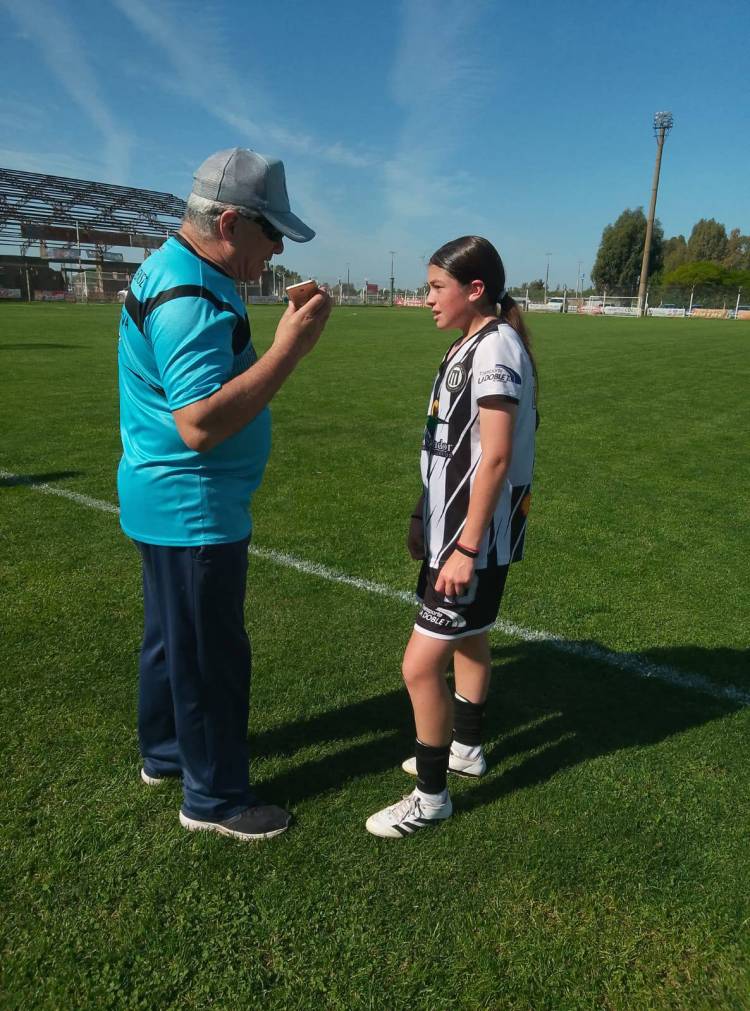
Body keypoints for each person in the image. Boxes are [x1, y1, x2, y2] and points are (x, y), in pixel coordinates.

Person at [117, 148, 331, 841]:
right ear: (230, 221)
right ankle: (215, 800)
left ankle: (168, 753)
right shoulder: (192, 293)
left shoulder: (183, 269)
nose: (274, 252)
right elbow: (201, 423)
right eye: (271, 235)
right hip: (193, 507)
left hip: (164, 500)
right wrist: (288, 351)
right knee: (211, 655)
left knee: (169, 640)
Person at [366, 236, 537, 839]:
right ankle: (465, 749)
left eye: (437, 287)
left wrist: (465, 547)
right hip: (454, 530)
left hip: (473, 539)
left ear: (475, 290)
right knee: (471, 639)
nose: (427, 298)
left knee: (419, 667)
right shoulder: (467, 344)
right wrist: (424, 512)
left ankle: (430, 797)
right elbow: (448, 447)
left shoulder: (496, 349)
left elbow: (494, 457)